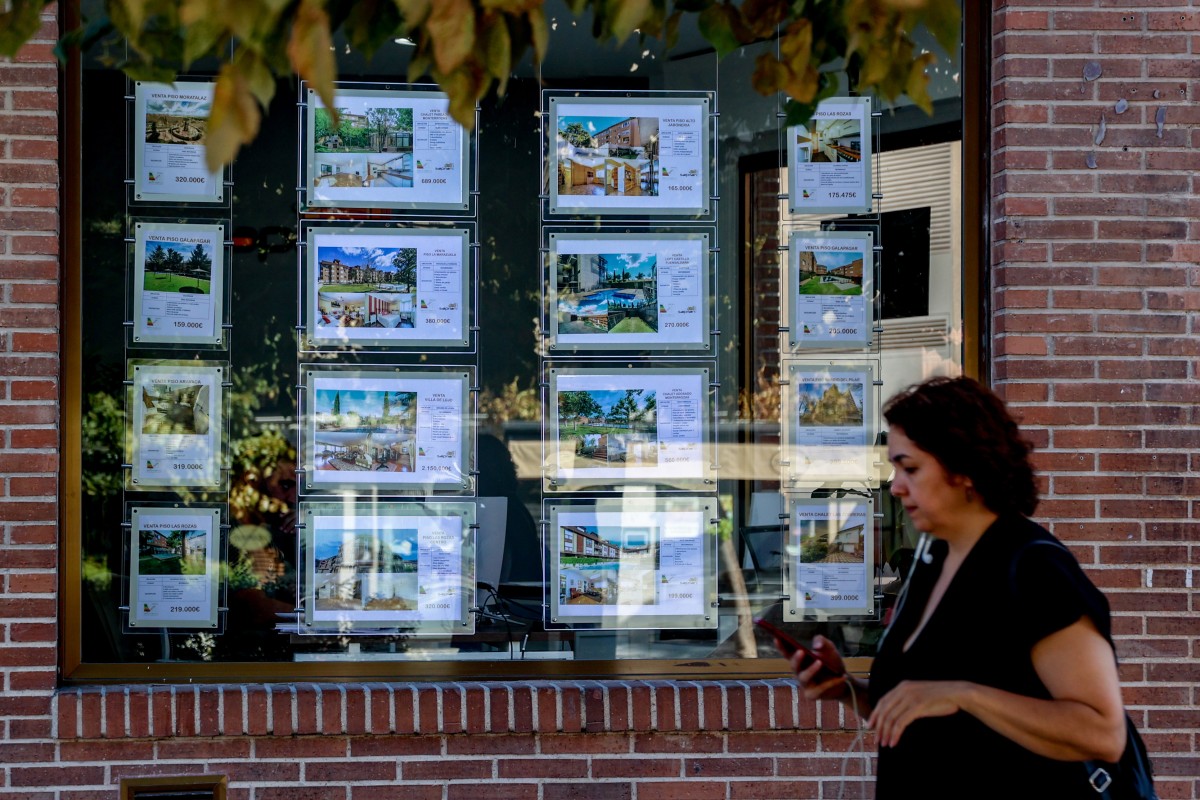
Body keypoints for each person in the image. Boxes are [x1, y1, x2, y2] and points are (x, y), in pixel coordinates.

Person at [778, 376, 1127, 797]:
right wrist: (847, 690)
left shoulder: (1032, 567)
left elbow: (1102, 733)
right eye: (894, 469)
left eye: (910, 468)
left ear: (963, 468)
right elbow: (923, 705)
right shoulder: (934, 556)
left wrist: (966, 695)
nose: (896, 485)